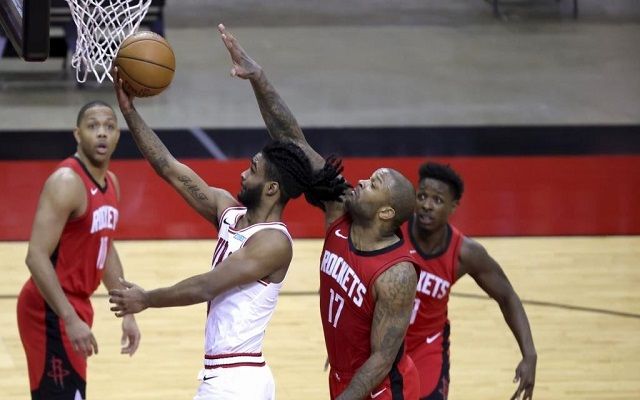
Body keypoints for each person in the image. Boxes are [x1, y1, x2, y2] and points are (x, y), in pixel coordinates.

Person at [107, 64, 345, 399]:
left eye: (253, 170)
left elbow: (207, 286)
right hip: (225, 376)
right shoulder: (229, 212)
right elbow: (169, 168)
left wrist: (146, 299)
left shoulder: (274, 243)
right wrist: (130, 113)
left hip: (237, 381)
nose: (243, 175)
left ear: (272, 189)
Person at [218, 24, 421, 399]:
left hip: (382, 391)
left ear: (386, 213)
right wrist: (258, 79)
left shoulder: (397, 273)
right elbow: (293, 143)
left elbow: (381, 359)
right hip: (344, 377)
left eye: (373, 184)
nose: (361, 181)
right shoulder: (341, 207)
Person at [17, 101, 141, 400]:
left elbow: (105, 247)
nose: (102, 133)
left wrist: (126, 310)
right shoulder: (67, 182)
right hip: (48, 309)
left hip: (75, 307)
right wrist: (69, 318)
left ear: (117, 136)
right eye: (93, 126)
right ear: (77, 134)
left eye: (109, 127)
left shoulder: (111, 182)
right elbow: (35, 256)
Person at [403, 162, 537, 400]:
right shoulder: (394, 229)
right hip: (384, 342)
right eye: (422, 196)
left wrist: (530, 355)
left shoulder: (465, 253)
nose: (426, 205)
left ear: (453, 206)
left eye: (437, 200)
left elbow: (507, 297)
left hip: (427, 347)